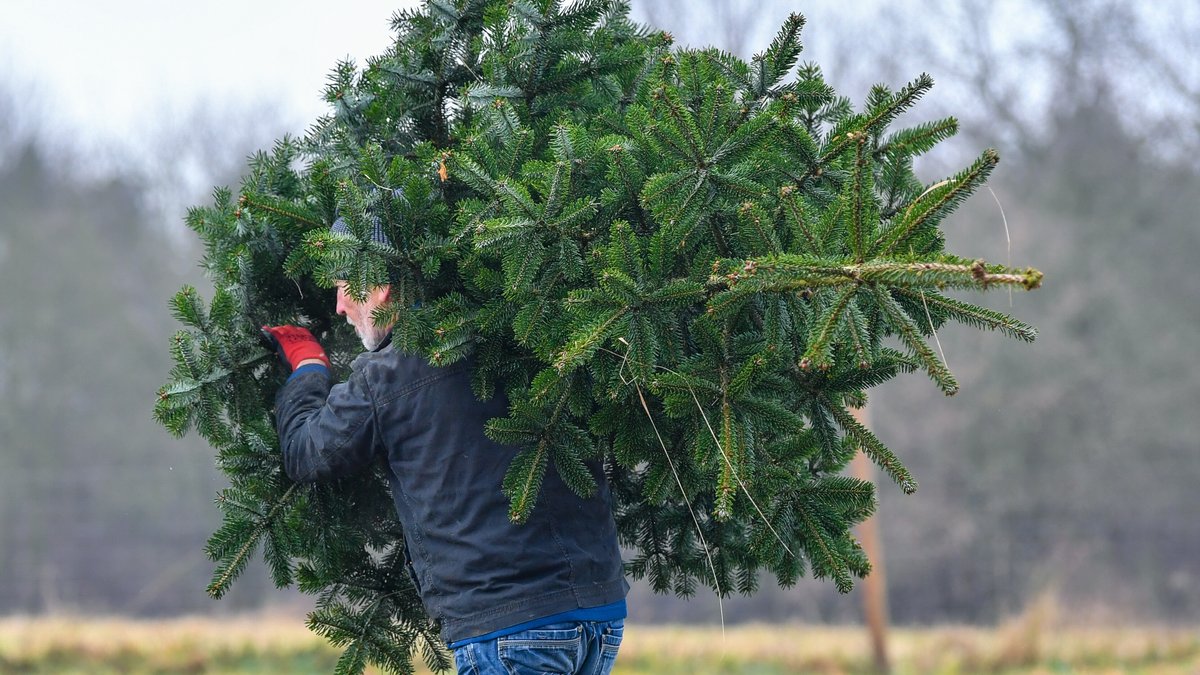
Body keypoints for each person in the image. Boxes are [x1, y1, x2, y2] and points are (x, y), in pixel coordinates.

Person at [261, 221, 628, 675]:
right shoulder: (520, 328)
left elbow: (309, 451)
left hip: (507, 629)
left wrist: (308, 368)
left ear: (381, 287)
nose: (338, 307)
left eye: (343, 287)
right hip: (600, 611)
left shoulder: (387, 376)